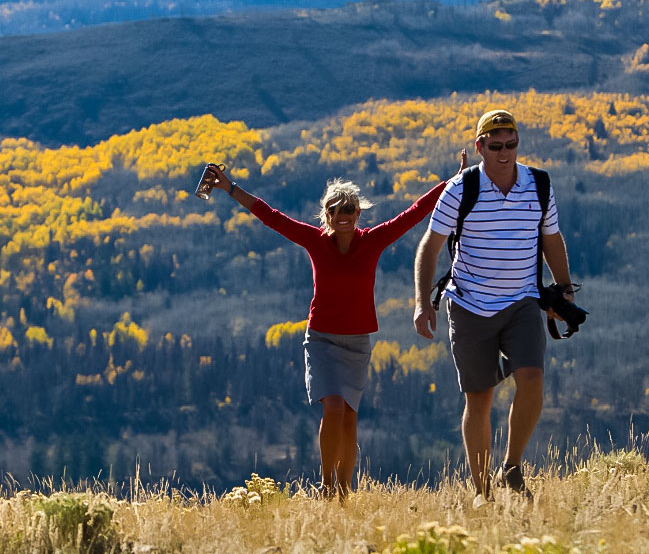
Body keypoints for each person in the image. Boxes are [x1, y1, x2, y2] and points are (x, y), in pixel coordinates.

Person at [206, 151, 464, 499]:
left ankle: (343, 492)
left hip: (357, 343)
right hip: (322, 340)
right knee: (333, 408)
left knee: (350, 420)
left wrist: (453, 181)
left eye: (348, 210)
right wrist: (230, 187)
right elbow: (271, 216)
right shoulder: (315, 241)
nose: (342, 216)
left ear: (358, 213)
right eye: (335, 210)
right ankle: (326, 486)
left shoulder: (373, 240)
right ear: (325, 215)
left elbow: (414, 213)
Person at [412, 109, 574, 506]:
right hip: (469, 305)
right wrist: (421, 303)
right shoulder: (460, 189)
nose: (505, 152)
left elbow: (551, 239)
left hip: (522, 300)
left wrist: (564, 291)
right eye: (496, 145)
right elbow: (429, 247)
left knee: (532, 379)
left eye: (511, 144)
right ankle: (482, 492)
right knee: (479, 397)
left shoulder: (538, 185)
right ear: (480, 146)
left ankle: (513, 467)